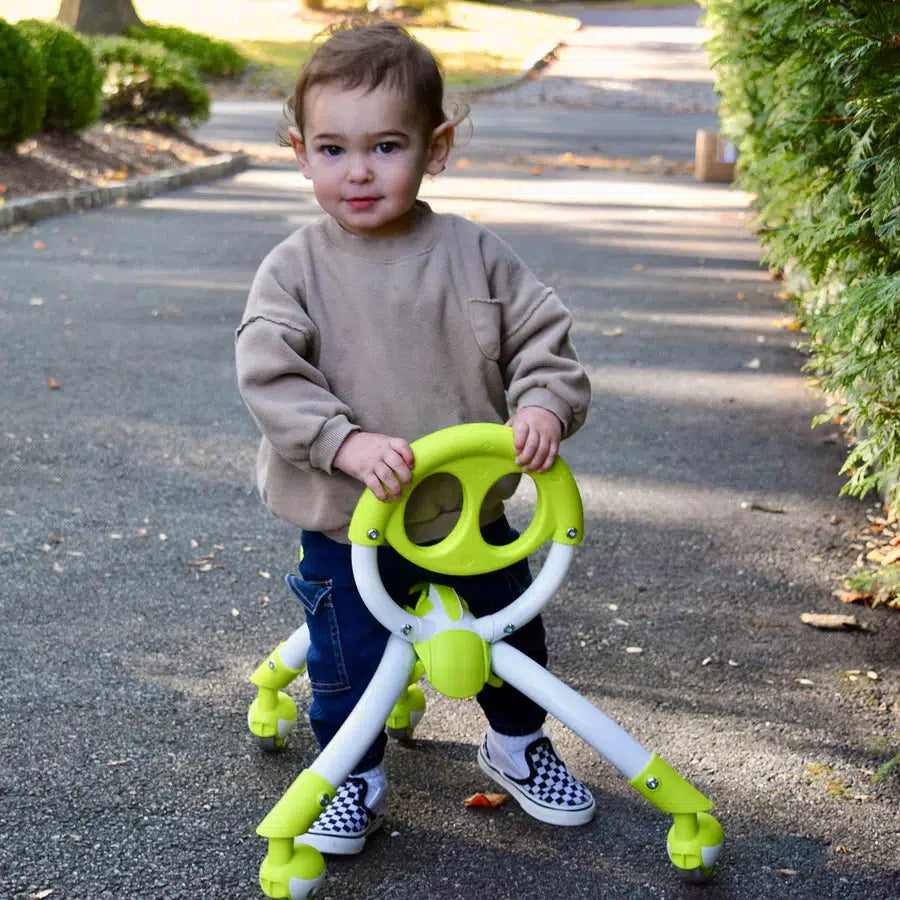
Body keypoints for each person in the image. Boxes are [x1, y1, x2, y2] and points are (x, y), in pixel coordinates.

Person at [235, 19, 593, 856]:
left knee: (511, 633)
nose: (357, 171)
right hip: (344, 520)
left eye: (385, 146)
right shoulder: (294, 268)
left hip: (466, 518)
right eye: (331, 149)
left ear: (436, 148)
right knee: (348, 656)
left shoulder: (476, 255)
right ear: (300, 151)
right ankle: (349, 773)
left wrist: (542, 404)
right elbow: (269, 373)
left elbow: (546, 341)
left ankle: (515, 743)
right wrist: (342, 440)